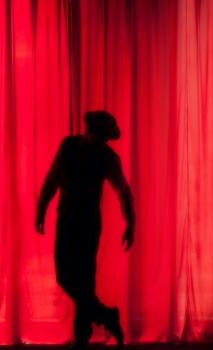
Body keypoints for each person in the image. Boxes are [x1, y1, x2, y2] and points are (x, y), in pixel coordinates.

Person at [35, 111, 135, 350]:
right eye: (98, 134)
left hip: (88, 222)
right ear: (90, 130)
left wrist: (131, 223)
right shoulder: (69, 147)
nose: (100, 140)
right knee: (67, 277)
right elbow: (52, 179)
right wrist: (41, 208)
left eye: (103, 137)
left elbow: (123, 191)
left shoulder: (106, 156)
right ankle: (106, 316)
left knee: (84, 281)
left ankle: (82, 338)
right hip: (68, 218)